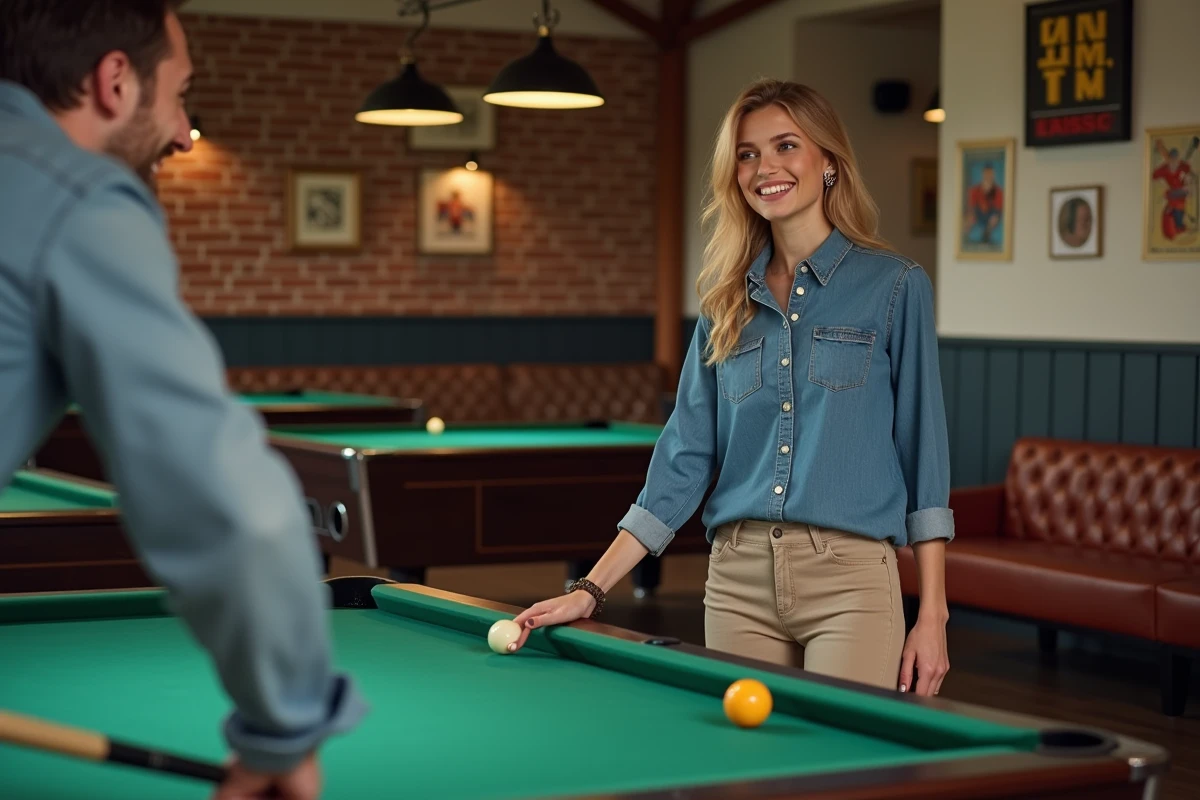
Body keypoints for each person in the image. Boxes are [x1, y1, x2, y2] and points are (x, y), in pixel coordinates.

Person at [0, 2, 366, 797]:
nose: (184, 130)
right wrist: (285, 725)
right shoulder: (76, 194)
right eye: (180, 93)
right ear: (114, 82)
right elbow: (224, 499)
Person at [509, 79, 952, 698]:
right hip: (738, 579)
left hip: (850, 578)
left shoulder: (896, 287)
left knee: (837, 775)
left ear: (828, 161)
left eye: (786, 146)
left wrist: (932, 612)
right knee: (749, 774)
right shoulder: (724, 304)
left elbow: (923, 454)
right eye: (747, 154)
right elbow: (684, 459)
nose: (765, 167)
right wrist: (590, 588)